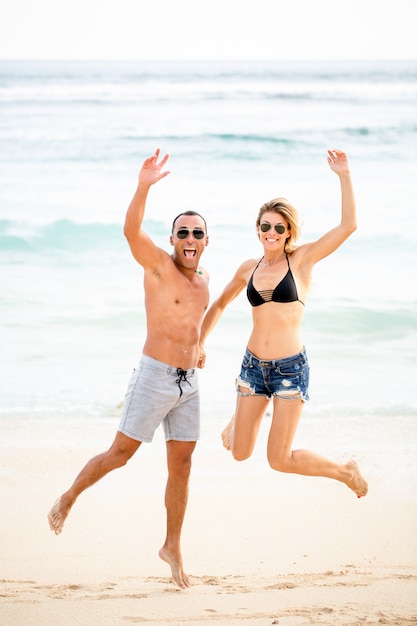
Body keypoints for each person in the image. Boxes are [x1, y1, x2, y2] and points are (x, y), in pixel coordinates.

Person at [48, 149, 210, 589]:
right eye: (182, 233)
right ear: (173, 238)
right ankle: (70, 495)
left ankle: (172, 546)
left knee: (183, 464)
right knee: (121, 454)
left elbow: (194, 325)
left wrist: (200, 348)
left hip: (189, 384)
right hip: (154, 375)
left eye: (197, 233)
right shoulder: (158, 266)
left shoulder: (204, 281)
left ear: (205, 241)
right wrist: (144, 185)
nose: (189, 239)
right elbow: (129, 230)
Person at [198, 149, 368, 498]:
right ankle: (244, 415)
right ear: (257, 229)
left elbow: (349, 226)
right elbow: (218, 305)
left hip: (290, 368)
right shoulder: (248, 268)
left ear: (288, 230)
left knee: (280, 460)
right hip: (252, 366)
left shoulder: (302, 260)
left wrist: (344, 176)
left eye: (279, 227)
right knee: (239, 452)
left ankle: (345, 472)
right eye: (265, 226)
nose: (271, 232)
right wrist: (199, 342)